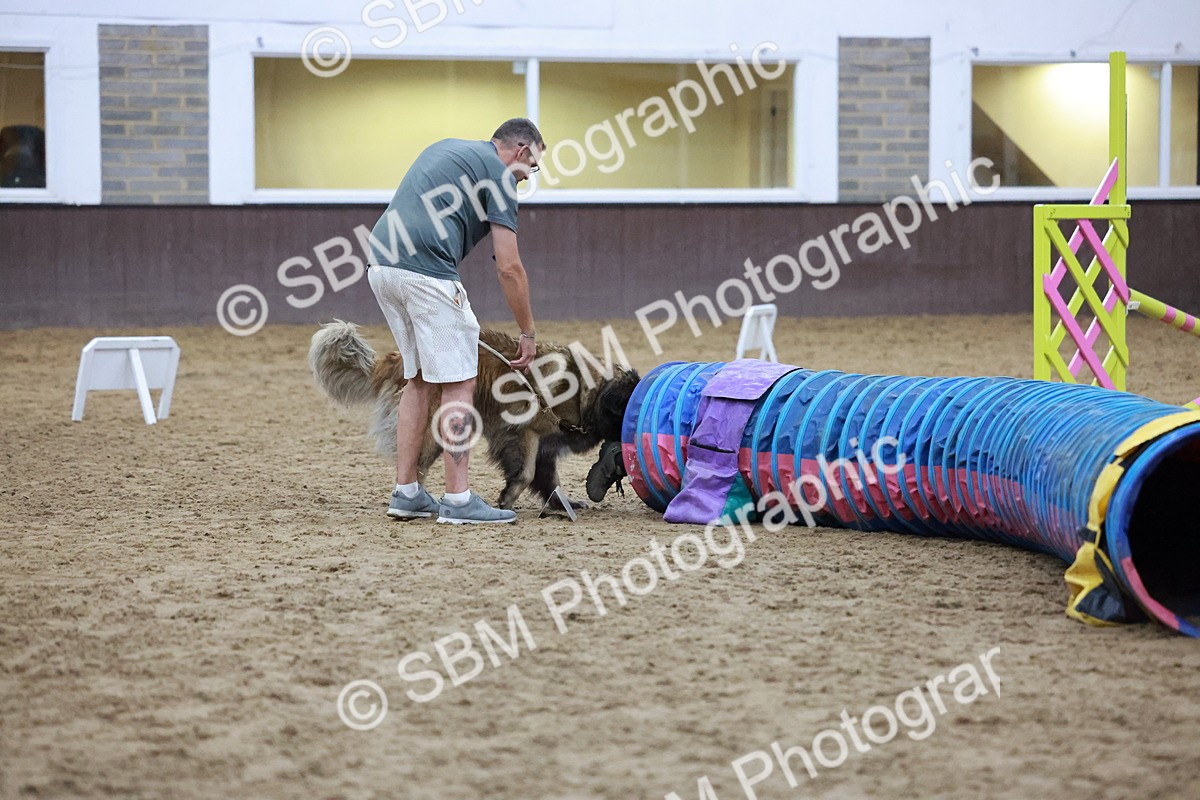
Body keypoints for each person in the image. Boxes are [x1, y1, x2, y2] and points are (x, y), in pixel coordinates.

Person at [366, 118, 544, 524]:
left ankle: (407, 491)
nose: (527, 176)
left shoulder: (448, 147)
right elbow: (509, 267)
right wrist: (527, 332)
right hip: (426, 272)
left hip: (381, 265)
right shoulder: (500, 176)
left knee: (419, 378)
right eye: (531, 167)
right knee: (460, 381)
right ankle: (459, 499)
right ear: (520, 151)